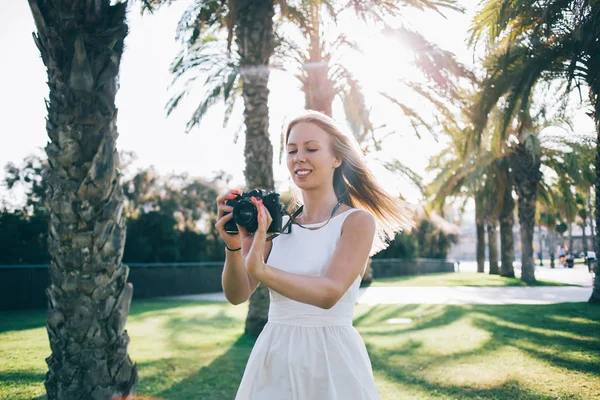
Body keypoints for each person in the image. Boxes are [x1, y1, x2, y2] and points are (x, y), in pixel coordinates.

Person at [214, 110, 413, 399]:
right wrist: (234, 246)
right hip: (274, 357)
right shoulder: (275, 225)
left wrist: (260, 269)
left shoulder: (356, 222)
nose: (299, 157)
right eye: (292, 150)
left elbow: (328, 293)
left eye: (311, 148)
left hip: (332, 359)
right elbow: (237, 294)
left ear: (336, 158)